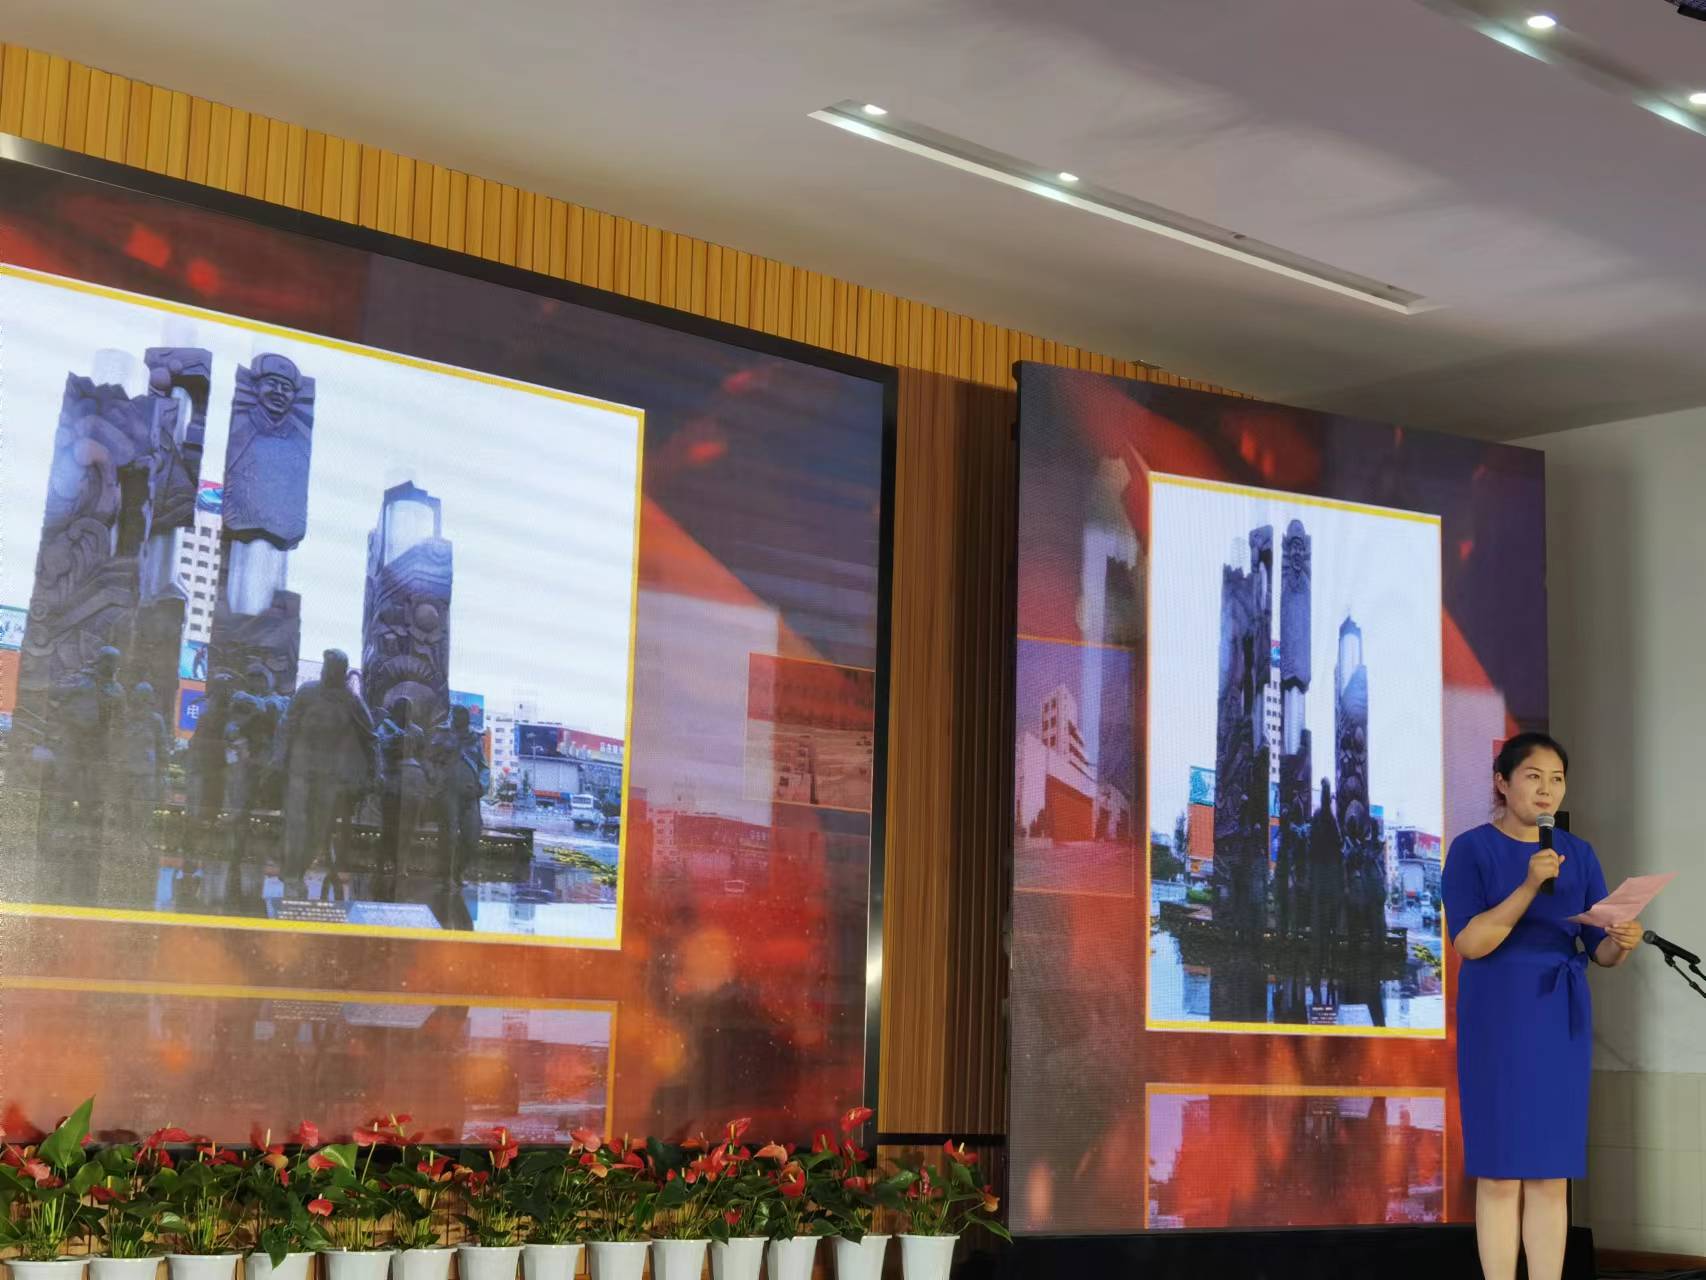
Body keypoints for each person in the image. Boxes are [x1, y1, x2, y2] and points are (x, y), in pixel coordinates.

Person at [1441, 732, 1643, 1280]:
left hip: (1560, 1019)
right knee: (1501, 1172)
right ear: (1502, 783)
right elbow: (1470, 942)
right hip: (1498, 1018)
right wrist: (1529, 884)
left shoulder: (1580, 854)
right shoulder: (1472, 849)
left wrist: (1620, 943)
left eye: (1557, 779)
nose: (1547, 789)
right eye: (1534, 777)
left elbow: (1598, 950)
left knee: (1552, 1174)